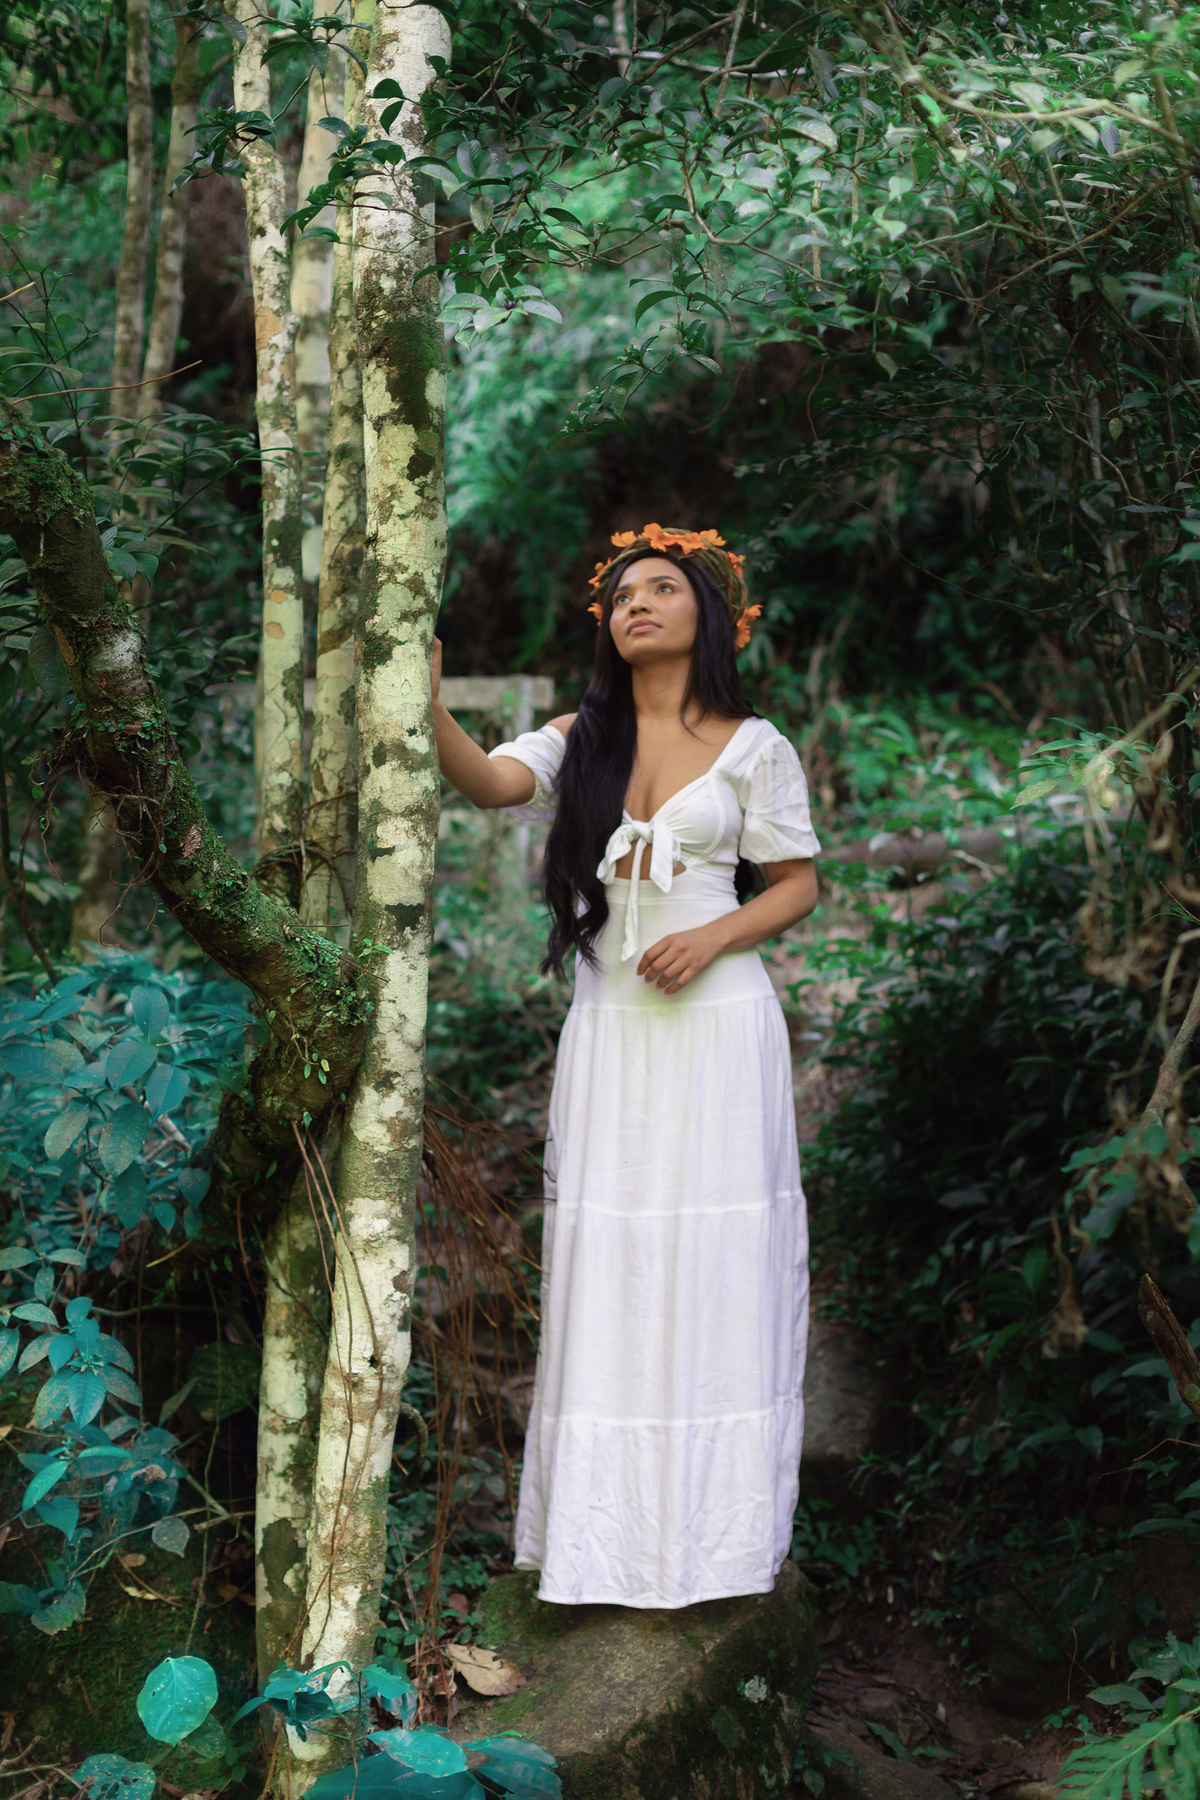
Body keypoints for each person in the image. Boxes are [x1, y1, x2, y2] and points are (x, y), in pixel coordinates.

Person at [432, 524, 820, 1609]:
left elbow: (795, 883)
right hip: (612, 1030)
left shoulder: (755, 745)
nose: (636, 604)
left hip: (718, 1026)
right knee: (613, 1254)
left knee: (718, 1257)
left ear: (709, 612)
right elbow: (494, 786)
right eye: (620, 595)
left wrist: (716, 934)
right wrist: (423, 706)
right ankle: (607, 1545)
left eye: (661, 587)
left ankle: (717, 1542)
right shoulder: (583, 733)